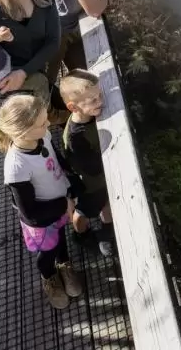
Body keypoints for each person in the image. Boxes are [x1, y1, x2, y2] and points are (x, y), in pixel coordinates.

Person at [0, 94, 84, 310]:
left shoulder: (42, 137)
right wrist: (65, 205)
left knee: (61, 238)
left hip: (60, 202)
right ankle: (49, 275)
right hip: (42, 220)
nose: (49, 124)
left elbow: (55, 159)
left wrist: (71, 179)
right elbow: (30, 213)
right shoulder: (17, 167)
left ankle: (64, 264)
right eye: (42, 123)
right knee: (47, 251)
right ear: (22, 132)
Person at [57, 69, 114, 257]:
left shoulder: (90, 115)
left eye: (100, 95)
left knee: (106, 202)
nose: (101, 101)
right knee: (84, 210)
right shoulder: (76, 137)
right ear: (73, 107)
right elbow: (89, 167)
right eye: (93, 100)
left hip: (101, 180)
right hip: (88, 184)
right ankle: (81, 233)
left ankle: (107, 230)